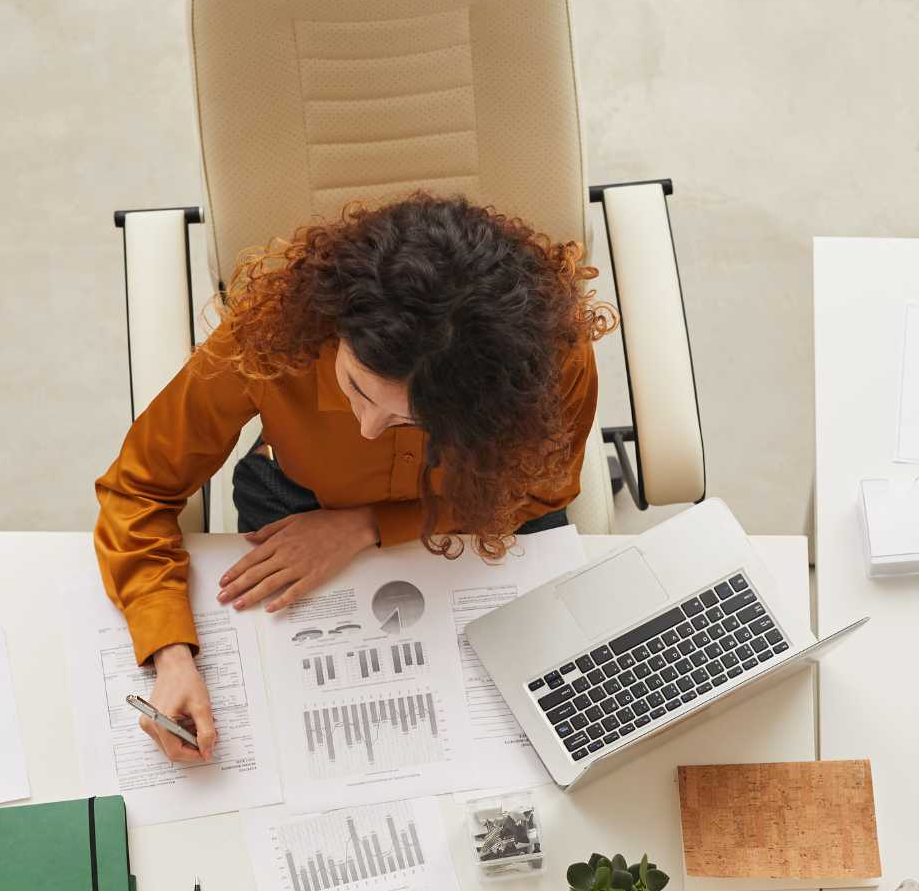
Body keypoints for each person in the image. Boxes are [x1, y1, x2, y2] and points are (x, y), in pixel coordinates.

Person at [94, 191, 615, 766]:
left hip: (476, 504)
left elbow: (542, 490)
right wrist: (170, 654)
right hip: (297, 501)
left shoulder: (549, 360)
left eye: (415, 422)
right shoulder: (268, 333)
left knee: (545, 733)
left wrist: (368, 525)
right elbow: (138, 489)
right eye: (356, 388)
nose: (369, 429)